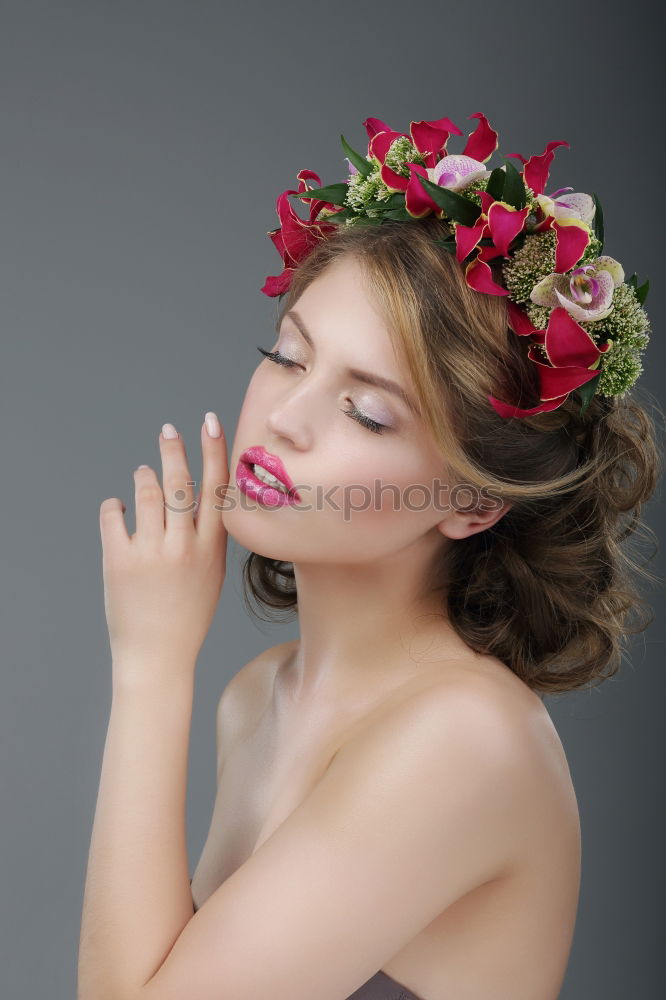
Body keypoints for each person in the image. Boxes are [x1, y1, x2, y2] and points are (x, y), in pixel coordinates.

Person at [79, 113, 661, 1000]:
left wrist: (151, 667)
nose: (285, 419)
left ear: (474, 502)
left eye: (367, 413)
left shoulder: (465, 741)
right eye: (286, 355)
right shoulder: (256, 698)